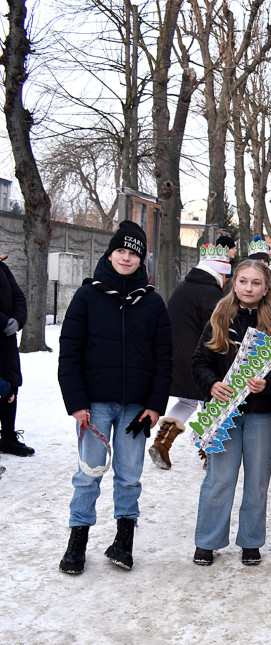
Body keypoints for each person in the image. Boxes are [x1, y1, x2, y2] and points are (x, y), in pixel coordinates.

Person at [56, 220, 173, 574]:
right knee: (88, 473)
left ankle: (124, 541)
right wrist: (77, 403)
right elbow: (69, 353)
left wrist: (155, 405)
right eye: (120, 251)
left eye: (133, 253)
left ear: (141, 260)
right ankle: (77, 542)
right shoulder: (86, 297)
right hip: (95, 406)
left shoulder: (153, 303)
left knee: (129, 476)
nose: (126, 258)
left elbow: (164, 359)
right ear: (110, 254)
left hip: (136, 409)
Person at [191, 260, 271, 566]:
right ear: (233, 284)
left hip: (263, 413)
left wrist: (268, 384)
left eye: (256, 283)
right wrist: (211, 383)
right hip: (224, 411)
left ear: (266, 288)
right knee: (219, 479)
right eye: (243, 281)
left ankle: (251, 541)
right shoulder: (220, 317)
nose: (249, 288)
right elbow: (199, 361)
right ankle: (207, 541)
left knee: (257, 481)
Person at [149, 243, 232, 469]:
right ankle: (210, 451)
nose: (226, 281)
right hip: (198, 357)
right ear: (218, 272)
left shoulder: (185, 285)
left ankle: (162, 442)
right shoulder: (210, 292)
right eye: (225, 276)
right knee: (211, 400)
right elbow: (215, 330)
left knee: (187, 401)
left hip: (176, 353)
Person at [0, 253, 30, 456]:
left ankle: (8, 438)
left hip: (6, 338)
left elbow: (18, 296)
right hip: (3, 328)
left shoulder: (2, 268)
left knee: (10, 384)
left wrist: (18, 320)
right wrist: (3, 321)